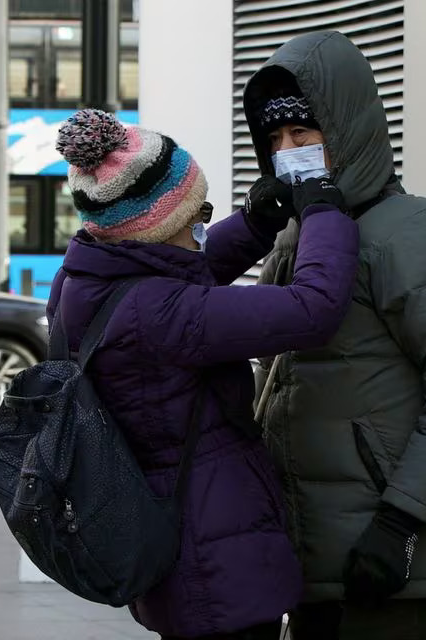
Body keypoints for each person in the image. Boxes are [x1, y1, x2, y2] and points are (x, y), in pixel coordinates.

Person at [46, 110, 359, 640]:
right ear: (159, 229)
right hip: (214, 560)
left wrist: (257, 222)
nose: (204, 229)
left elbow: (185, 274)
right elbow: (313, 308)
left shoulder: (88, 278)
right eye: (199, 216)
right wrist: (326, 211)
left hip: (177, 546)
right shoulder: (160, 314)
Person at [244, 32, 426, 639]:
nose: (289, 153)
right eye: (275, 140)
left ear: (346, 131)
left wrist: (402, 523)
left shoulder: (420, 235)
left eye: (304, 134)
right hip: (306, 555)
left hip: (386, 556)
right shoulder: (296, 239)